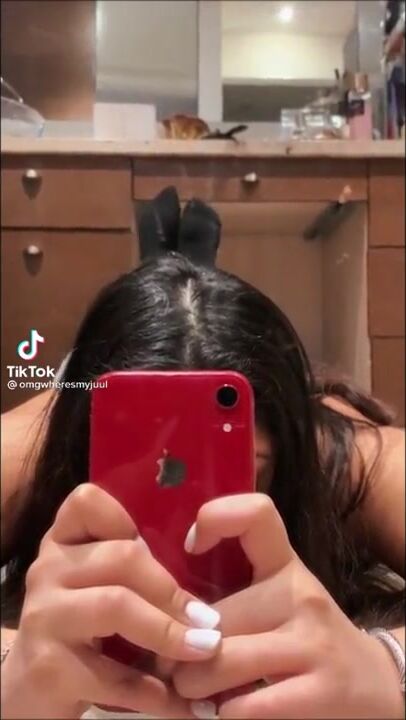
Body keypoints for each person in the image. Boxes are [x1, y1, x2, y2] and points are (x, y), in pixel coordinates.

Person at [1, 191, 404, 719]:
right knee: (72, 392)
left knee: (300, 404)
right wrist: (12, 671)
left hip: (310, 422)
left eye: (250, 471)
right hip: (68, 411)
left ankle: (176, 274)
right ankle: (167, 276)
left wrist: (386, 667)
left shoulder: (342, 458)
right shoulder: (33, 460)